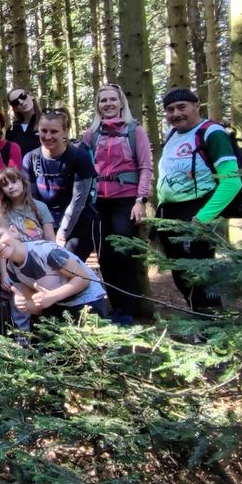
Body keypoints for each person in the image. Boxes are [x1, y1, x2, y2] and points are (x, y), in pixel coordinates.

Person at [155, 88, 241, 310]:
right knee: (181, 274)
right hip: (170, 213)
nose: (176, 114)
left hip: (198, 212)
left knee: (201, 276)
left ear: (196, 106)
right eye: (170, 110)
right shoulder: (172, 134)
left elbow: (232, 181)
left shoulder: (212, 133)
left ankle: (214, 325)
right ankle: (199, 321)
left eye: (181, 107)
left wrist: (203, 218)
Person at [80, 84, 153, 323]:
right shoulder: (92, 134)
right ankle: (116, 308)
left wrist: (141, 199)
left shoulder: (135, 131)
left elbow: (145, 167)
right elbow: (83, 165)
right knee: (105, 256)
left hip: (126, 200)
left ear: (121, 103)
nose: (108, 104)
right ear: (98, 106)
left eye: (113, 99)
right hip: (98, 202)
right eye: (103, 100)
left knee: (123, 255)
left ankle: (127, 311)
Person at [0, 215, 110, 321]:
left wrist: (52, 296)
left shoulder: (46, 252)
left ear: (13, 231)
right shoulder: (12, 269)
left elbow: (83, 279)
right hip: (60, 306)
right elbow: (37, 306)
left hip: (88, 301)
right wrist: (24, 305)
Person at [23, 108, 97, 261]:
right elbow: (33, 200)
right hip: (44, 223)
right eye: (44, 131)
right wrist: (46, 232)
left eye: (54, 132)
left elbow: (78, 202)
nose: (48, 136)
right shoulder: (30, 158)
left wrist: (62, 234)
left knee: (65, 263)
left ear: (65, 132)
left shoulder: (79, 158)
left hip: (77, 224)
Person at [0, 167, 56, 331]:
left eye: (14, 181)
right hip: (16, 268)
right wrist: (3, 273)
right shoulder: (2, 213)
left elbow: (50, 238)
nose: (11, 187)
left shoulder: (39, 207)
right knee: (20, 306)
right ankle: (22, 340)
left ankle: (47, 337)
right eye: (5, 184)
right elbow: (1, 246)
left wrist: (54, 264)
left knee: (44, 303)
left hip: (41, 265)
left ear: (23, 182)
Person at [6, 87, 42, 155]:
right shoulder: (12, 131)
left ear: (31, 96)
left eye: (23, 96)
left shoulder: (47, 122)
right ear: (15, 108)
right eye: (15, 102)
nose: (21, 102)